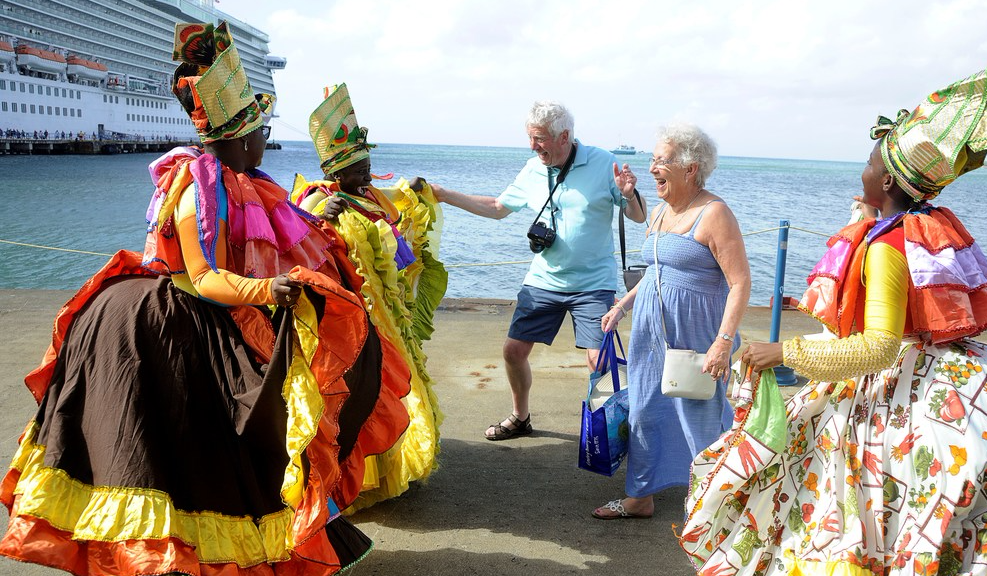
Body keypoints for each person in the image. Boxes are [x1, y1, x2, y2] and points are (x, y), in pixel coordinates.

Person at [0, 22, 411, 576]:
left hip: (220, 313)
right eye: (261, 131)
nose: (266, 140)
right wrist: (269, 289)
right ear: (240, 140)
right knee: (194, 454)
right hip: (178, 321)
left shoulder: (249, 182)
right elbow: (203, 276)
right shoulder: (200, 189)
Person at [678, 68, 987, 575]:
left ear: (885, 181)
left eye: (868, 161)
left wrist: (784, 352)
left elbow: (880, 347)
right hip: (953, 370)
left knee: (838, 497)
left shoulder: (886, 244)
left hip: (898, 384)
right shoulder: (923, 228)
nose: (861, 168)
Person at [431, 100, 647, 440]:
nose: (533, 146)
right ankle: (520, 417)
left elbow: (637, 216)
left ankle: (609, 433)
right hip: (544, 279)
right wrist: (443, 195)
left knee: (598, 360)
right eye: (530, 138)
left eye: (539, 138)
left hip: (593, 282)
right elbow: (498, 208)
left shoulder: (604, 162)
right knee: (513, 351)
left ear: (564, 136)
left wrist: (629, 194)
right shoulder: (533, 168)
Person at [291, 83, 448, 512]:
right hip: (348, 320)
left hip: (387, 313)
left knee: (398, 386)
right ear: (335, 171)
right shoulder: (316, 199)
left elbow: (401, 224)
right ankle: (350, 479)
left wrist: (416, 190)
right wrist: (314, 218)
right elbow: (293, 239)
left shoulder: (369, 197)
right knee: (357, 395)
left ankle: (395, 467)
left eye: (367, 164)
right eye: (358, 168)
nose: (366, 173)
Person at [593, 122, 750, 519]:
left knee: (699, 415)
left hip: (697, 335)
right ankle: (640, 497)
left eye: (660, 161)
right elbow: (656, 272)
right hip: (651, 335)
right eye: (652, 160)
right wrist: (623, 306)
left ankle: (713, 502)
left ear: (690, 168)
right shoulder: (661, 211)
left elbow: (739, 282)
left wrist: (723, 341)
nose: (651, 169)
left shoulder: (715, 213)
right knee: (646, 412)